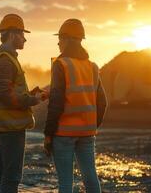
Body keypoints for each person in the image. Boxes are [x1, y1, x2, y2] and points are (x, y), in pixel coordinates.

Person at [44, 18, 108, 193]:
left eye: (59, 38)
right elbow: (103, 102)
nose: (58, 43)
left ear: (65, 39)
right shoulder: (92, 67)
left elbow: (56, 103)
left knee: (65, 182)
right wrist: (92, 126)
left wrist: (48, 134)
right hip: (87, 133)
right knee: (90, 177)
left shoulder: (61, 64)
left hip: (63, 133)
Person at [0, 14, 42, 193]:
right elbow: (6, 97)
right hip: (10, 127)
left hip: (3, 126)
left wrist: (30, 94)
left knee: (3, 174)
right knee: (11, 177)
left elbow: (9, 92)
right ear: (12, 35)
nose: (25, 38)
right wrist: (34, 100)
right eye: (22, 34)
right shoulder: (5, 61)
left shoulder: (2, 59)